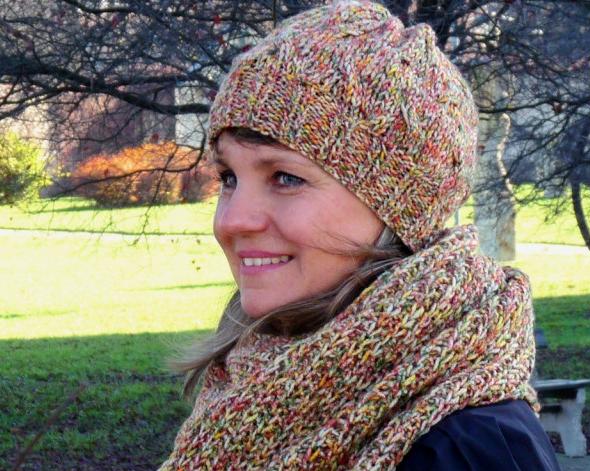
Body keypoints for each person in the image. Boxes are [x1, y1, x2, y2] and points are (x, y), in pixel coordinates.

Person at [160, 1, 561, 469]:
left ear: (399, 206)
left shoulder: (470, 448)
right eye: (229, 177)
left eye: (285, 178)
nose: (232, 222)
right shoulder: (248, 393)